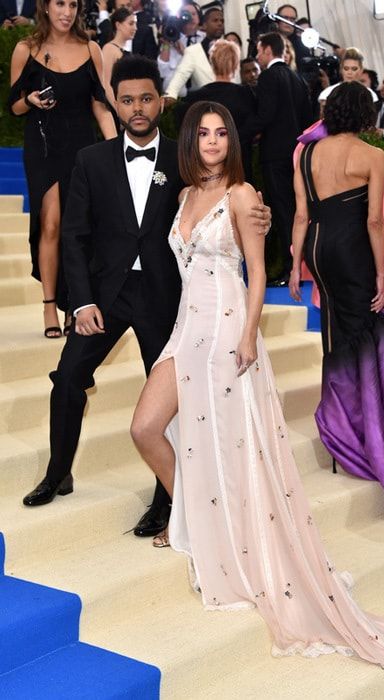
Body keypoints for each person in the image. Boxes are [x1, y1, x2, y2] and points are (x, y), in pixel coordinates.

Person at [130, 98, 384, 698]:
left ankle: (216, 526)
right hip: (187, 329)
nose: (212, 141)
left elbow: (256, 272)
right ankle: (196, 514)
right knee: (144, 428)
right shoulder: (185, 198)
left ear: (230, 142)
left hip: (228, 332)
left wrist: (248, 336)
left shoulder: (242, 196)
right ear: (190, 142)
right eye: (202, 133)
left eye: (220, 133)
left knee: (232, 446)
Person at [21, 55, 271, 537]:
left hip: (167, 299)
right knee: (68, 375)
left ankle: (165, 501)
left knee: (167, 403)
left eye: (146, 99)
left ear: (162, 101)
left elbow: (229, 204)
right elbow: (74, 235)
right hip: (105, 295)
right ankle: (58, 472)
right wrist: (82, 302)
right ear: (115, 103)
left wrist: (263, 219)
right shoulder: (91, 160)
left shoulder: (187, 156)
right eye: (128, 99)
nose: (137, 108)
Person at [289, 81, 384, 517]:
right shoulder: (372, 155)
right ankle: (357, 429)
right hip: (352, 250)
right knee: (362, 332)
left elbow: (303, 214)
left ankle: (339, 426)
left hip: (318, 251)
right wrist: (382, 274)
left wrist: (295, 269)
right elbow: (375, 222)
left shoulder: (305, 153)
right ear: (364, 114)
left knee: (335, 333)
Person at [9, 0, 116, 338]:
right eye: (60, 4)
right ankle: (49, 306)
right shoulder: (26, 49)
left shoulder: (91, 48)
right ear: (45, 6)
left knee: (79, 227)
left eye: (72, 4)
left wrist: (116, 149)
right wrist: (31, 101)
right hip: (42, 146)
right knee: (51, 223)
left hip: (82, 148)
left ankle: (77, 304)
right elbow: (13, 105)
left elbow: (100, 105)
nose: (66, 12)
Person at [243, 31, 312, 286]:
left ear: (268, 50)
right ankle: (301, 266)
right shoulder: (298, 78)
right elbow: (308, 118)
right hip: (295, 155)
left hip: (274, 156)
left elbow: (265, 115)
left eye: (259, 51)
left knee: (283, 212)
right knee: (296, 210)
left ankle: (288, 268)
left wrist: (239, 133)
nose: (257, 56)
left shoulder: (269, 78)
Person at [174, 39, 256, 182]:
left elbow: (183, 129)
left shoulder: (194, 97)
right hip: (240, 165)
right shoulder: (246, 95)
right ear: (236, 64)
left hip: (203, 168)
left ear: (211, 63)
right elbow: (254, 128)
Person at [164, 6, 224, 102]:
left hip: (229, 101)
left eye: (222, 21)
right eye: (215, 21)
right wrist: (170, 95)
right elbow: (180, 75)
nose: (220, 24)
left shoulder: (231, 49)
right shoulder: (193, 51)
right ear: (204, 25)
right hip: (205, 101)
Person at [157, 1, 204, 98]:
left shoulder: (205, 40)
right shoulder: (173, 37)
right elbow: (162, 71)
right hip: (176, 95)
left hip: (201, 92)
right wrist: (166, 43)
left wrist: (184, 52)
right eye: (186, 14)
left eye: (194, 14)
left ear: (199, 17)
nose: (190, 17)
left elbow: (204, 70)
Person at [318, 47, 378, 116]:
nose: (349, 72)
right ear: (341, 70)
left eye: (354, 69)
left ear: (361, 70)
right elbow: (322, 121)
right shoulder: (327, 93)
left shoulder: (371, 95)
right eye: (346, 68)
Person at [102, 6, 136, 106]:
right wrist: (117, 108)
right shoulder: (109, 49)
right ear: (118, 25)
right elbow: (105, 84)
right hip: (117, 108)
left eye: (135, 24)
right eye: (131, 23)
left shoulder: (126, 51)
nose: (135, 28)